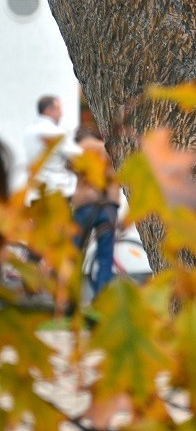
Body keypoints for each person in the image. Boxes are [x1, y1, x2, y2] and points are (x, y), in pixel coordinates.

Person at [71, 126, 120, 297]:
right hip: (108, 206)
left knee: (75, 255)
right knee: (105, 257)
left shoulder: (77, 149)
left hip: (85, 205)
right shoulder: (108, 148)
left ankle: (71, 303)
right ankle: (100, 304)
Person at [22, 95, 80, 205]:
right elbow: (78, 157)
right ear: (48, 110)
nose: (61, 114)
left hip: (35, 193)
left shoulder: (28, 131)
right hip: (57, 192)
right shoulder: (56, 132)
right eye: (59, 109)